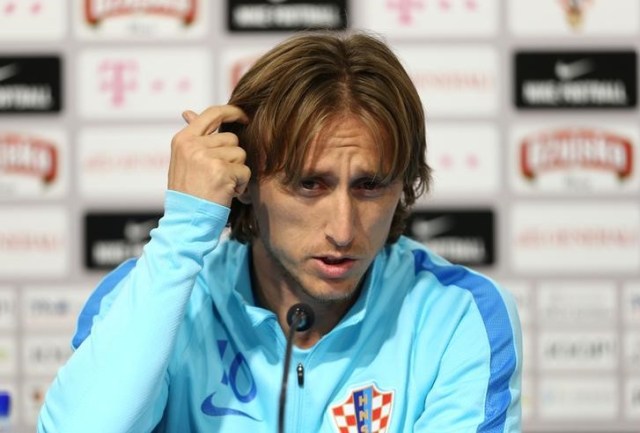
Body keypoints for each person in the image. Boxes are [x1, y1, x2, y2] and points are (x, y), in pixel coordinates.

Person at [37, 31, 522, 433]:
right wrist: (184, 230)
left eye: (370, 186)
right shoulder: (152, 295)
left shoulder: (459, 315)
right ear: (245, 181)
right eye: (309, 184)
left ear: (404, 185)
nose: (343, 229)